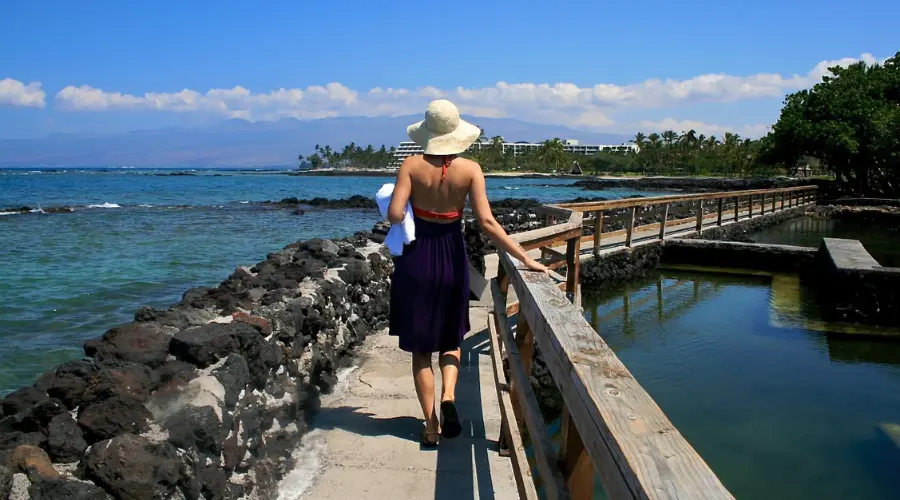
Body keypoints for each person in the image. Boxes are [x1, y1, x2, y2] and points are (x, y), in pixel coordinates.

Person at [387, 99, 549, 447]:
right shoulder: (471, 170)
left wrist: (407, 210)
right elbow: (488, 223)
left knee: (420, 351)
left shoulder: (411, 166)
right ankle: (449, 398)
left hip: (417, 260)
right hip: (452, 258)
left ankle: (431, 428)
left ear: (427, 133)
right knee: (450, 340)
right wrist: (526, 258)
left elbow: (395, 214)